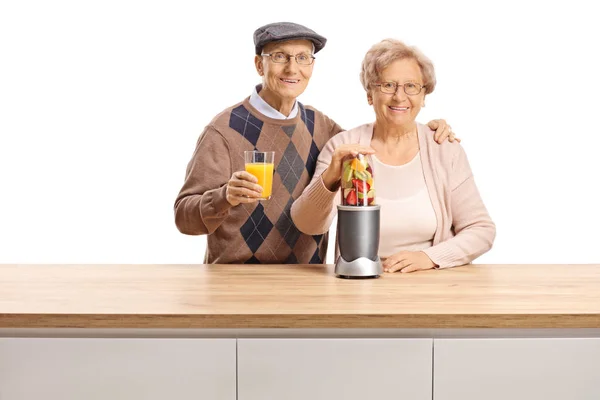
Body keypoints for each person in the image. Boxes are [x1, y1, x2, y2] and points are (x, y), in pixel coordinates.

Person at [174, 23, 457, 264]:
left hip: (307, 283)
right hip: (235, 282)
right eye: (280, 57)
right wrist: (225, 196)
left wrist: (424, 131)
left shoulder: (321, 127)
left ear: (312, 66)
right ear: (260, 64)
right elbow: (184, 219)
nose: (292, 68)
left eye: (302, 58)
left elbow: (376, 144)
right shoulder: (223, 130)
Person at [290, 38, 495, 272]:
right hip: (361, 284)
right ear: (370, 94)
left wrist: (429, 257)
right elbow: (308, 224)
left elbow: (481, 230)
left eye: (411, 86)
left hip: (433, 285)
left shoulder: (443, 148)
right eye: (387, 85)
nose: (399, 96)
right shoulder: (346, 147)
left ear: (423, 96)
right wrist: (330, 179)